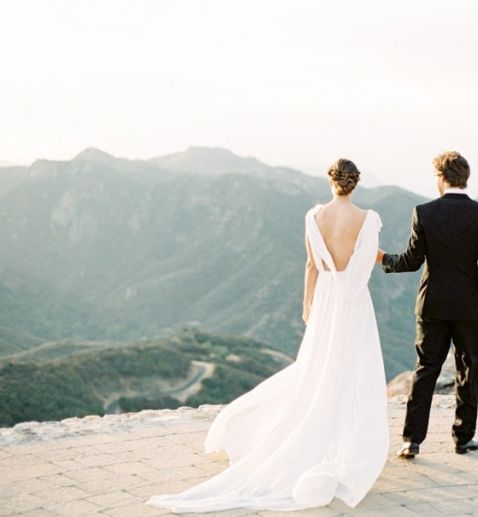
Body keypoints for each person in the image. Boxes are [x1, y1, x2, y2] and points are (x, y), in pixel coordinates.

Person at [147, 158, 388, 513]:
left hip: (325, 299)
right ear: (356, 183)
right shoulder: (367, 219)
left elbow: (311, 264)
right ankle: (343, 445)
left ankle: (311, 436)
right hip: (352, 305)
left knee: (316, 368)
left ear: (331, 181)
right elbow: (363, 266)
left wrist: (308, 303)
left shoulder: (315, 217)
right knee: (352, 370)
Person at [376, 150, 478, 458]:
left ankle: (411, 440)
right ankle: (462, 438)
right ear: (464, 178)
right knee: (468, 371)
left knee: (425, 370)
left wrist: (382, 258)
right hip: (468, 307)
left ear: (442, 178)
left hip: (431, 304)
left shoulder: (424, 212)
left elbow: (411, 261)